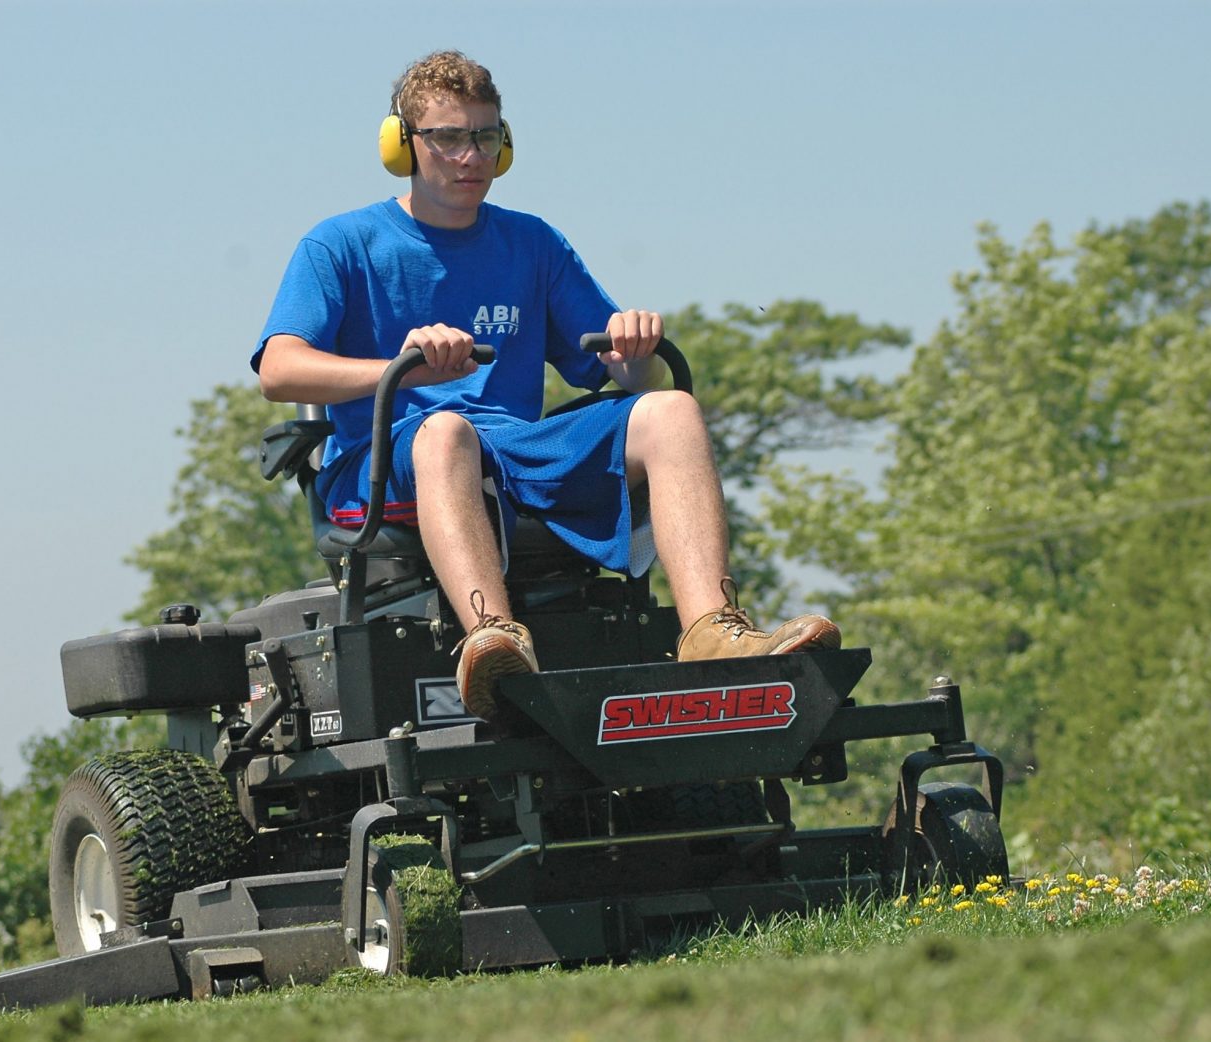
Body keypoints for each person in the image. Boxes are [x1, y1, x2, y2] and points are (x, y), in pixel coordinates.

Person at [252, 51, 839, 720]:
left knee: (670, 409)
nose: (468, 156)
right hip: (388, 462)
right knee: (446, 429)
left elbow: (616, 372)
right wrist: (399, 366)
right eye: (446, 137)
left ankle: (710, 627)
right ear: (401, 145)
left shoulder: (534, 243)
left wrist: (635, 348)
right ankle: (493, 636)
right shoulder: (340, 245)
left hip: (515, 449)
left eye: (484, 136)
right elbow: (279, 370)